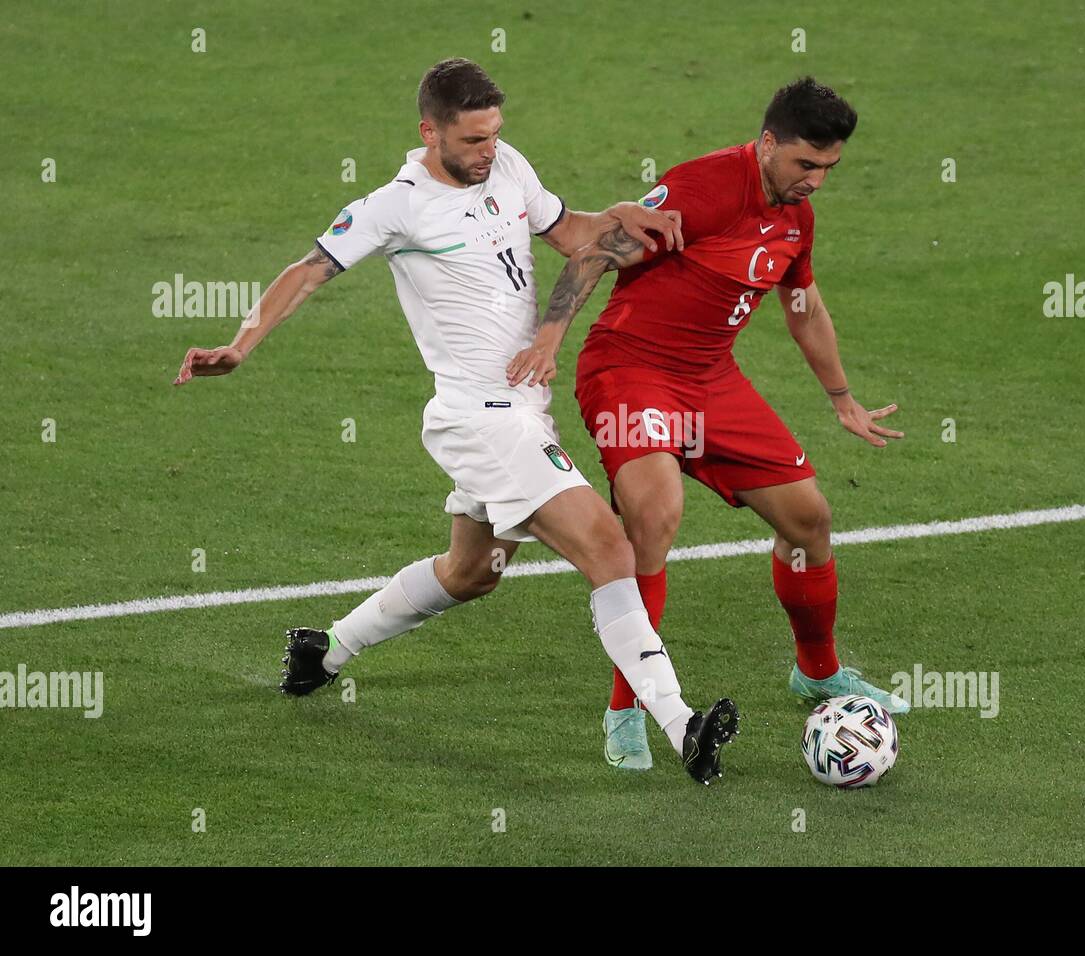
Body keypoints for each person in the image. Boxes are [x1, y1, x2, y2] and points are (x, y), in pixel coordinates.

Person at [174, 58, 738, 784]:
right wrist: (239, 345)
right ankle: (680, 723)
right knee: (609, 548)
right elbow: (306, 270)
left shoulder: (507, 171)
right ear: (429, 132)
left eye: (495, 135)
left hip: (521, 413)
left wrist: (626, 218)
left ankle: (324, 652)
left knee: (472, 572)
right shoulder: (396, 206)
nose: (488, 151)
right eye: (473, 140)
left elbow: (573, 236)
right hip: (483, 419)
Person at [507, 77, 907, 772]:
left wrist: (841, 397)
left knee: (809, 520)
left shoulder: (795, 219)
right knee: (657, 515)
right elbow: (599, 248)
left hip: (709, 381)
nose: (815, 180)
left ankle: (817, 672)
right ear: (768, 143)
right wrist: (549, 336)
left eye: (828, 169)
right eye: (805, 164)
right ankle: (626, 709)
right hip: (628, 368)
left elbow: (803, 305)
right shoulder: (706, 187)